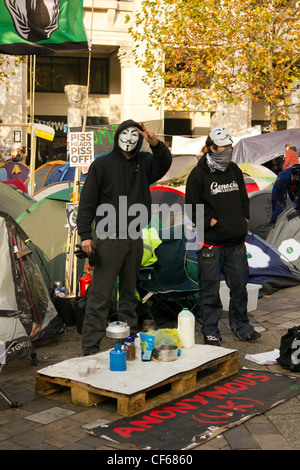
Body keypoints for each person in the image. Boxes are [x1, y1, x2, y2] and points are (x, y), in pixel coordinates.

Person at [76, 119, 172, 356]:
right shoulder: (102, 165)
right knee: (101, 295)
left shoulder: (145, 162)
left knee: (130, 295)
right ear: (117, 136)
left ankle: (129, 345)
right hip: (109, 237)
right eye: (125, 133)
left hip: (135, 237)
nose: (129, 138)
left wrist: (156, 144)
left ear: (140, 139)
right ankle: (90, 348)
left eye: (134, 135)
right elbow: (87, 203)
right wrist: (86, 236)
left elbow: (164, 163)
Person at [185, 126, 261, 346]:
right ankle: (210, 330)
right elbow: (192, 206)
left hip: (236, 243)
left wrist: (243, 220)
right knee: (209, 292)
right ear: (211, 148)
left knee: (239, 289)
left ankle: (242, 327)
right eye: (223, 148)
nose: (227, 151)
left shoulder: (234, 170)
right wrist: (210, 221)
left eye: (230, 147)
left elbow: (243, 199)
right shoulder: (198, 174)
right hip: (211, 245)